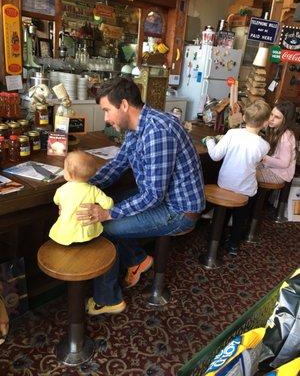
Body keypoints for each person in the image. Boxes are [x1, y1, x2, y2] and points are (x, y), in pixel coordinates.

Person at [76, 77, 205, 315]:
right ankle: (137, 259)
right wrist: (81, 185)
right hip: (163, 196)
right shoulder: (137, 126)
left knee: (104, 228)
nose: (106, 118)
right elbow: (118, 165)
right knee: (112, 205)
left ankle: (109, 299)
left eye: (106, 110)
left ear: (124, 105)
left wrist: (107, 213)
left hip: (178, 210)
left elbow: (153, 196)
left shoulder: (157, 131)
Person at [206, 100, 271, 256]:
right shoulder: (264, 145)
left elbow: (215, 156)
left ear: (243, 118)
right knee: (241, 217)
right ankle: (233, 244)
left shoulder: (232, 134)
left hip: (225, 184)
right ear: (266, 123)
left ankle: (217, 237)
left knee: (225, 211)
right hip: (245, 189)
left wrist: (209, 140)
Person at [49, 150, 114, 245]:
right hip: (87, 234)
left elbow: (56, 201)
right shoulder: (94, 190)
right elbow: (109, 204)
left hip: (65, 234)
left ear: (70, 174)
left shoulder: (61, 190)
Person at [256, 101, 297, 184]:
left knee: (246, 173)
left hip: (279, 174)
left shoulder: (285, 138)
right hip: (270, 166)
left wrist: (264, 158)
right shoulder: (274, 127)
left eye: (277, 117)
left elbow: (284, 164)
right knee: (246, 166)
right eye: (271, 114)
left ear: (285, 121)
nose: (271, 119)